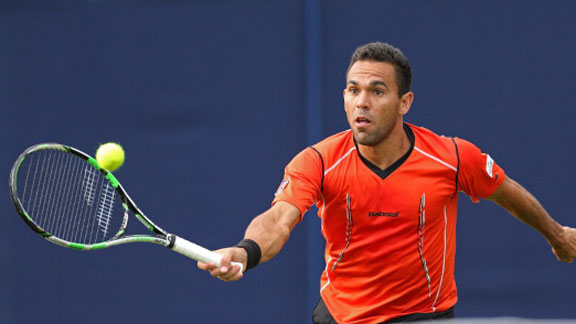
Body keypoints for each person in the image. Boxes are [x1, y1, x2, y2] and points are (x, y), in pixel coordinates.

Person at [197, 42, 576, 324]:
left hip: (422, 314)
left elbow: (507, 192)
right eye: (353, 90)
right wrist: (245, 251)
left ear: (404, 102)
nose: (362, 102)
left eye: (377, 91)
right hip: (341, 314)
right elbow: (280, 218)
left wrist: (557, 236)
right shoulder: (318, 160)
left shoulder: (453, 156)